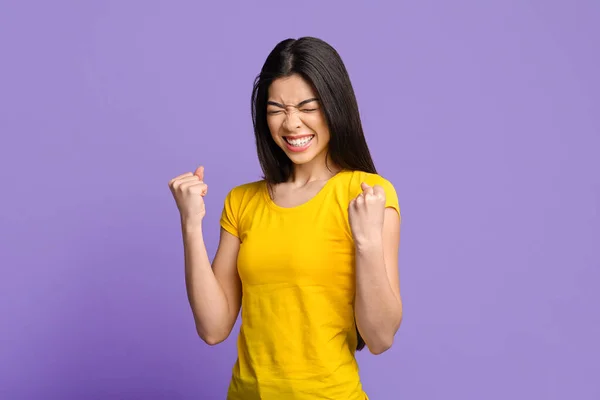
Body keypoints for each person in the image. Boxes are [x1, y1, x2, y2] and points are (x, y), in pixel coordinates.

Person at [168, 37, 403, 400]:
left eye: (308, 107)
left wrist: (367, 243)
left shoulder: (366, 194)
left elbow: (380, 337)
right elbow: (213, 328)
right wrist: (190, 224)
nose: (292, 124)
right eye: (277, 109)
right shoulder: (242, 201)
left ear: (335, 106)